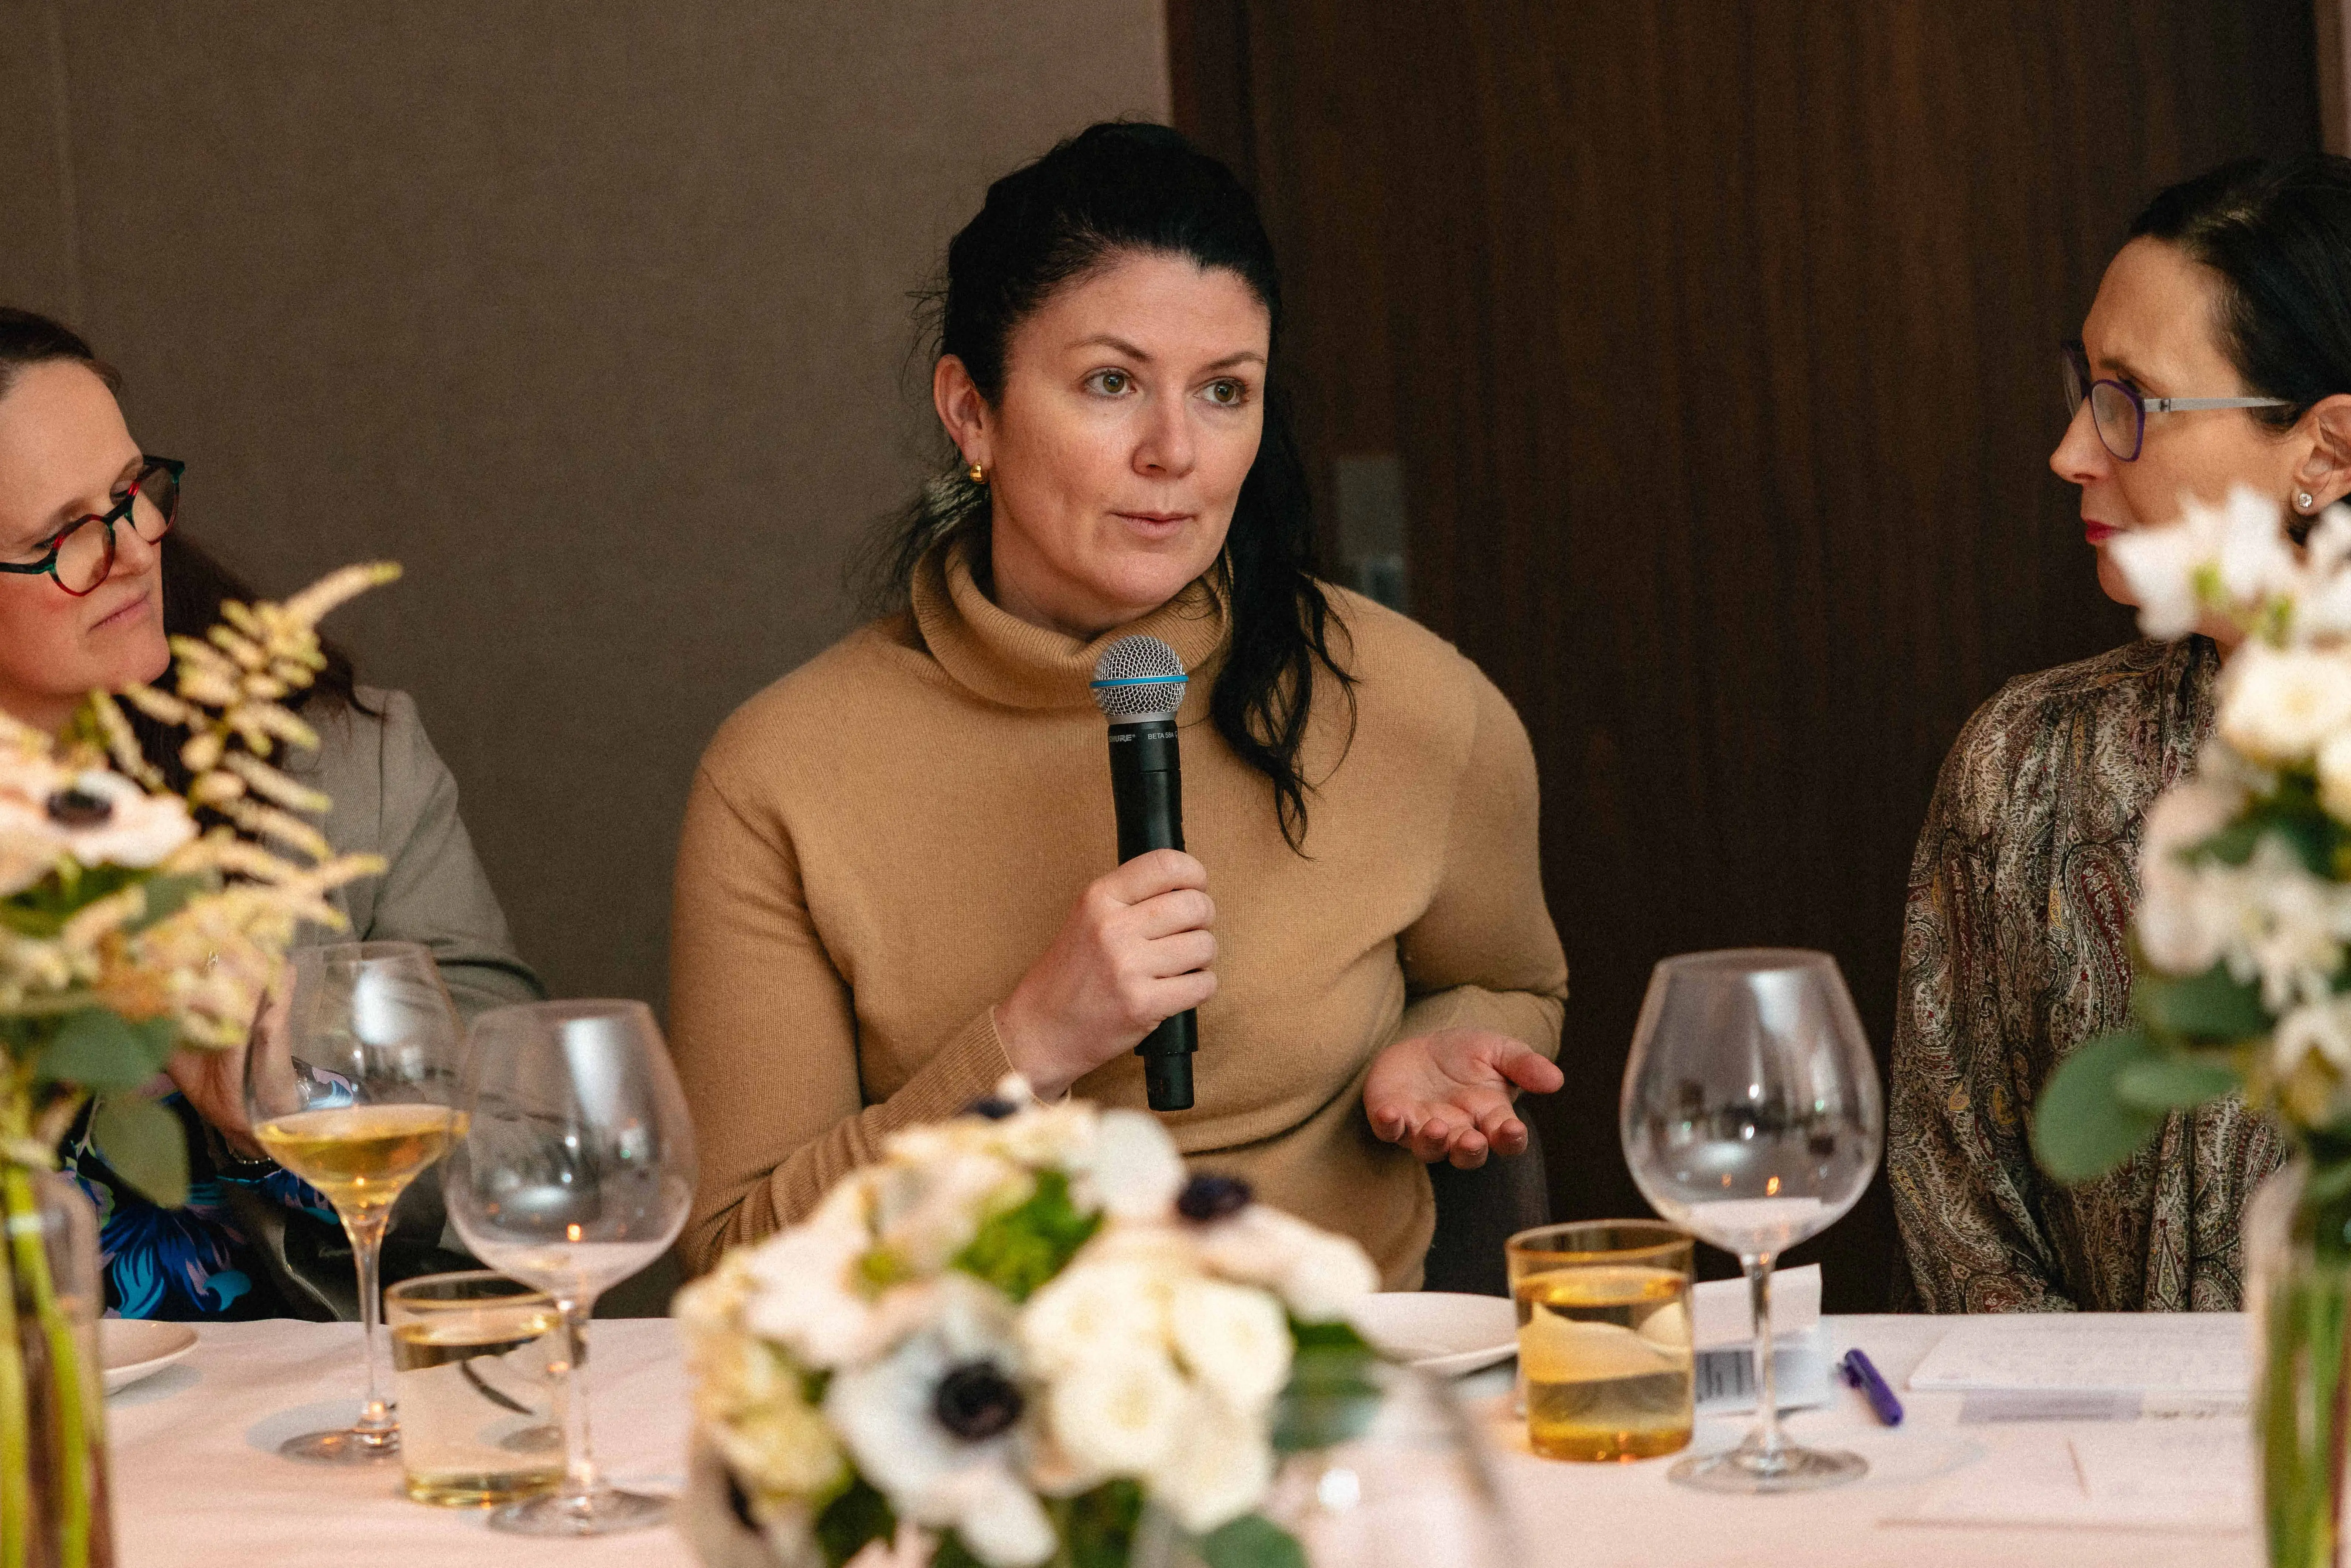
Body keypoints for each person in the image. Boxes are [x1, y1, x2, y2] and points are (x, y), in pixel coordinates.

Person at [669, 123, 1568, 1287]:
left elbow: (1511, 979)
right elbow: (737, 1263)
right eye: (1111, 382)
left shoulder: (1415, 703)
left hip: (1349, 1410)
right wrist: (1027, 1044)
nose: (1175, 451)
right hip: (957, 1422)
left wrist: (1422, 1048)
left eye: (1224, 392)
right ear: (972, 411)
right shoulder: (780, 771)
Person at [0, 306, 543, 1319]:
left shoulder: (338, 768)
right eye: (67, 535)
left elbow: (522, 1145)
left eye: (131, 494)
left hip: (299, 1425)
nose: (134, 548)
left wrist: (289, 1092)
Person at [1890, 156, 2351, 1312]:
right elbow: (1960, 1205)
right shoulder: (2024, 760)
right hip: (2084, 1474)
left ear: (2325, 453)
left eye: (2128, 402)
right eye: (2082, 385)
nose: (2071, 451)